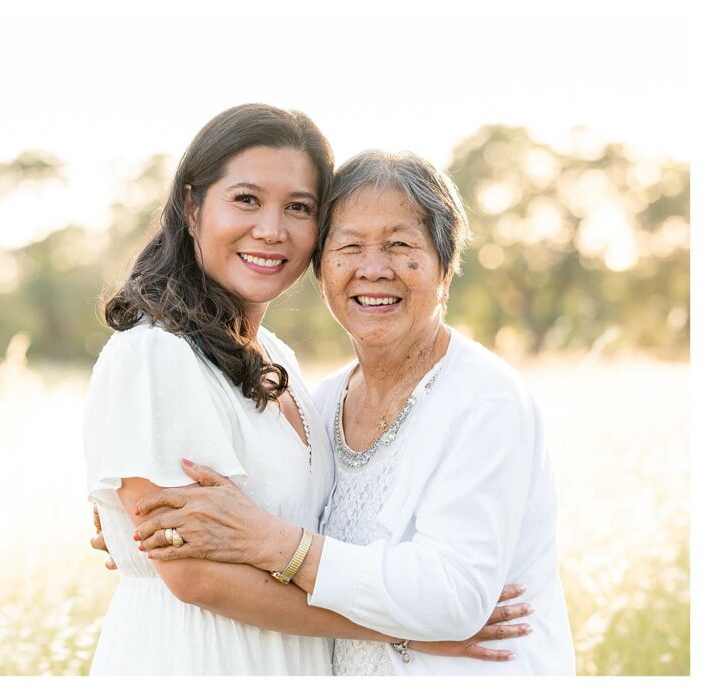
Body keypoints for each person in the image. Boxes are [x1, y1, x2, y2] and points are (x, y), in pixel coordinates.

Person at [85, 104, 533, 675]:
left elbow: (296, 525)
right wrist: (409, 628)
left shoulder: (279, 361)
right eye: (246, 199)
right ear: (194, 208)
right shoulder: (157, 352)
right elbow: (193, 574)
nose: (271, 230)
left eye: (298, 208)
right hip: (198, 661)